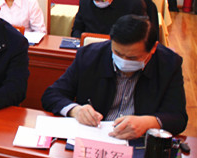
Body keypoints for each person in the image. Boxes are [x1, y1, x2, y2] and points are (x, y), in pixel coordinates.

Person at [42, 15, 187, 138]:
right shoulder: (90, 56)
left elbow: (178, 117)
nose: (123, 61)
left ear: (153, 48)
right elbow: (52, 95)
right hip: (93, 135)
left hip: (139, 140)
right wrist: (76, 110)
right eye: (117, 53)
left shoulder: (168, 64)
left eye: (132, 57)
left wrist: (148, 123)